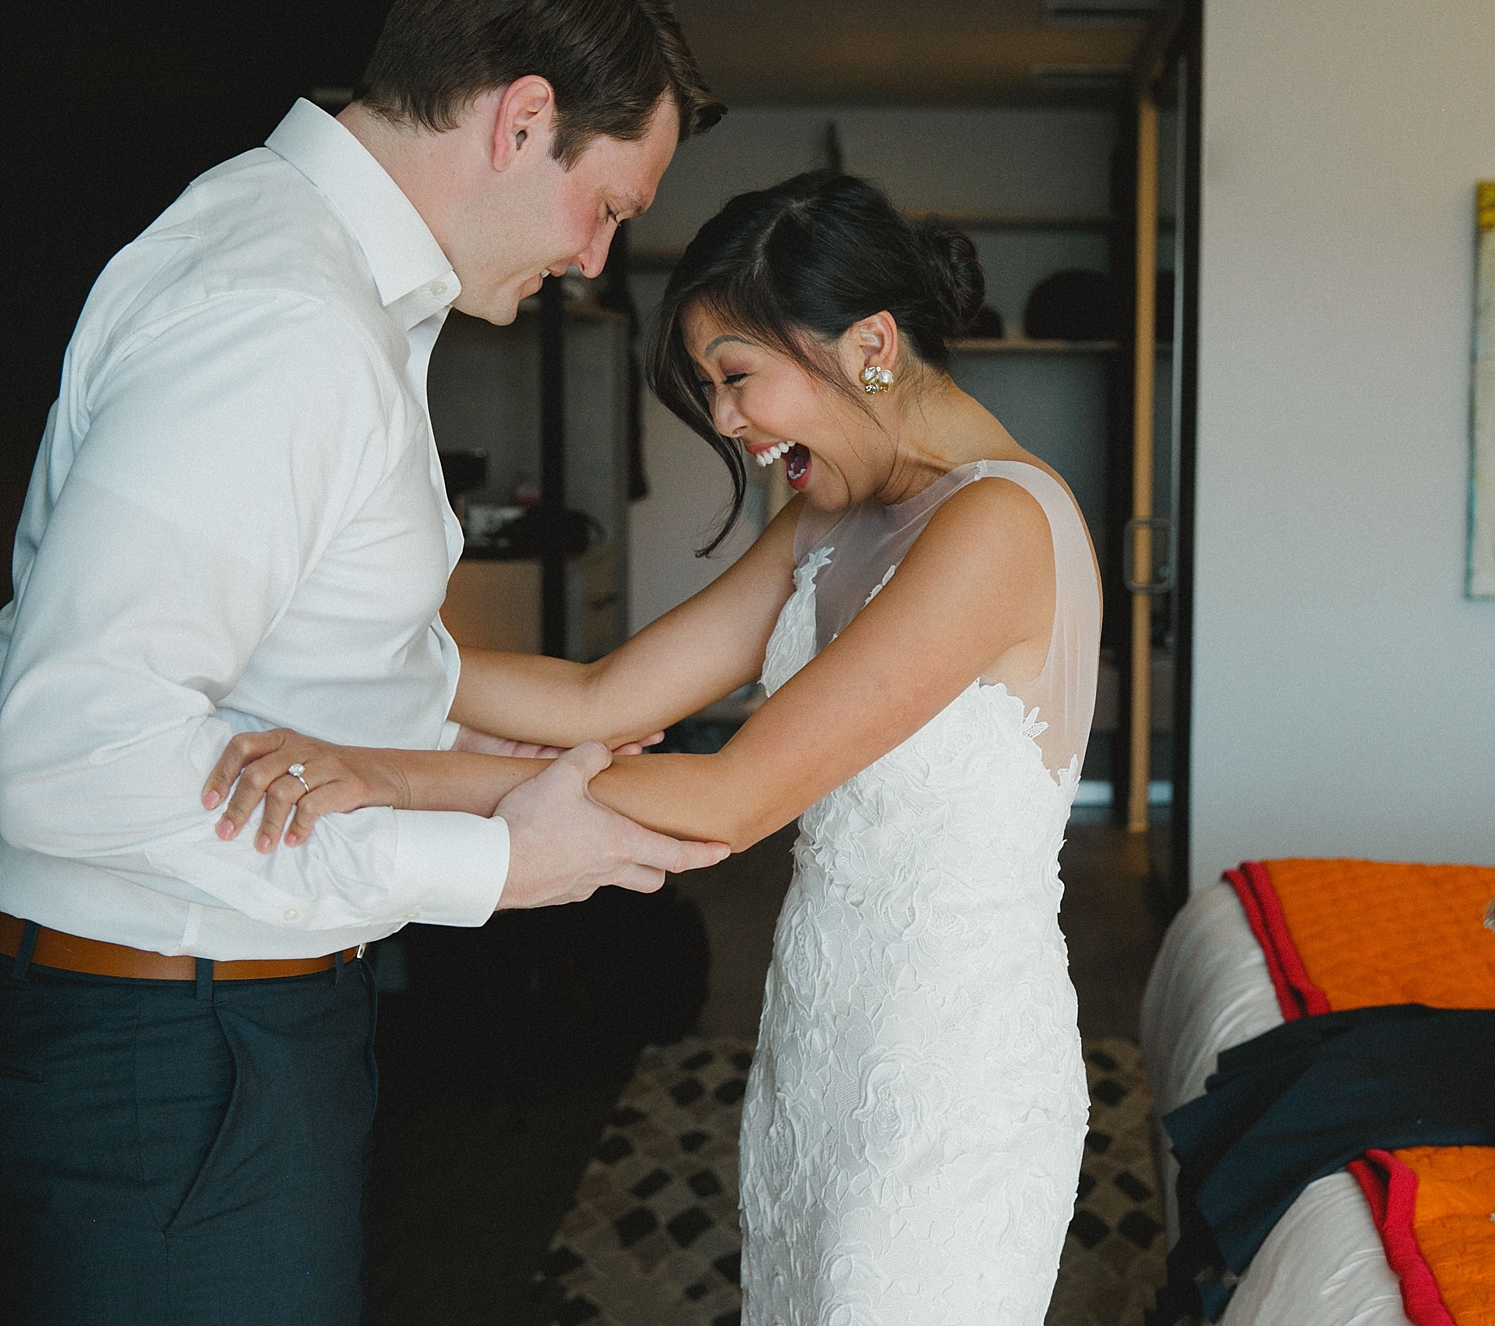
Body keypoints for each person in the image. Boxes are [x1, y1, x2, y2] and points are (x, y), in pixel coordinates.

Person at [205, 170, 1102, 1324]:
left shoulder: (998, 526)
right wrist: (326, 665)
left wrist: (394, 776)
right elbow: (599, 693)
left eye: (736, 379)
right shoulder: (833, 517)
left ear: (870, 342)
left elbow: (732, 797)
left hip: (952, 1076)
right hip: (818, 1030)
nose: (725, 422)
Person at [0, 3, 728, 1321]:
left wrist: (467, 770)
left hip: (231, 1026)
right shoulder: (283, 317)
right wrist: (496, 865)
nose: (594, 259)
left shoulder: (327, 286)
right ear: (522, 122)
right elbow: (66, 745)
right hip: (184, 1051)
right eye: (608, 206)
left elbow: (295, 670)